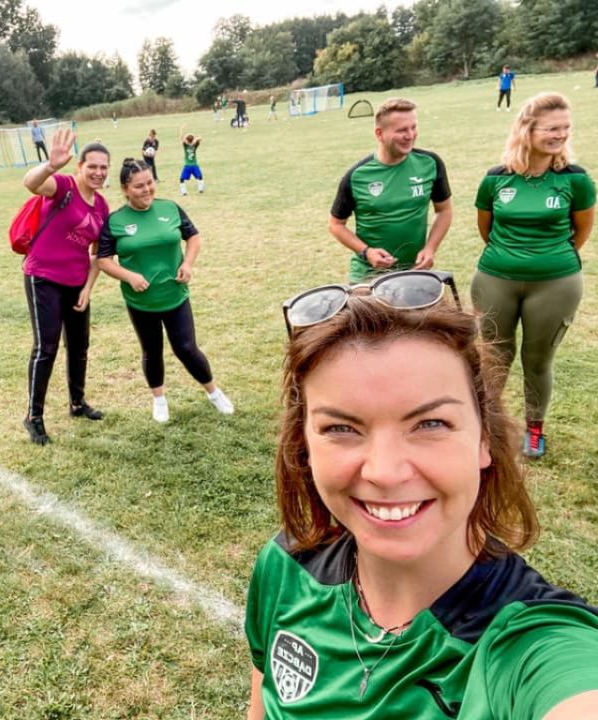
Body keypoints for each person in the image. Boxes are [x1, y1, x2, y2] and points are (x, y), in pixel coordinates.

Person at [246, 272, 598, 719]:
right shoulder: (285, 567)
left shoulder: (534, 647)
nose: (385, 472)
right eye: (341, 428)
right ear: (305, 446)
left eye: (430, 424)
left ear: (484, 439)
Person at [471, 92, 595, 458]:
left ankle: (534, 429)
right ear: (527, 129)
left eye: (565, 128)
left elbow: (581, 231)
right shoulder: (495, 179)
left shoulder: (575, 179)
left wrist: (548, 258)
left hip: (556, 283)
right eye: (552, 128)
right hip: (496, 279)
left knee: (538, 360)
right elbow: (486, 228)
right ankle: (488, 426)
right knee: (494, 356)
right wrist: (511, 257)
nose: (561, 135)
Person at [98, 158, 233, 423]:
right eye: (139, 186)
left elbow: (193, 237)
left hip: (175, 296)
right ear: (125, 189)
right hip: (141, 301)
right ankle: (159, 400)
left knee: (186, 348)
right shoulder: (115, 221)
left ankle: (214, 393)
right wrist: (129, 276)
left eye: (149, 183)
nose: (146, 189)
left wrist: (187, 263)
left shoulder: (170, 208)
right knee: (151, 351)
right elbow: (103, 260)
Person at [19, 129, 109, 445]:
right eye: (92, 166)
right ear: (80, 167)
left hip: (76, 282)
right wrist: (50, 165)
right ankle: (33, 416)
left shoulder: (102, 206)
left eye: (103, 167)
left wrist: (88, 288)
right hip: (43, 277)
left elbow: (98, 254)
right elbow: (30, 183)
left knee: (79, 345)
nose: (98, 172)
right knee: (46, 348)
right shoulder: (63, 186)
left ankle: (77, 403)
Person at [329, 97, 453, 283]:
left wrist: (430, 248)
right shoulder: (357, 176)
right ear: (379, 134)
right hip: (368, 277)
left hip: (415, 271)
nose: (410, 135)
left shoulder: (430, 163)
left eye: (413, 127)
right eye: (402, 130)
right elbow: (336, 225)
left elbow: (444, 210)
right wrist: (366, 252)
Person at [178, 129, 205, 196]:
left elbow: (182, 138)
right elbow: (200, 138)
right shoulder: (194, 146)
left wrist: (182, 131)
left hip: (187, 166)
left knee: (181, 179)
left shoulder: (185, 145)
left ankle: (184, 192)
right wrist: (194, 141)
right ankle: (201, 189)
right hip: (194, 165)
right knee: (200, 177)